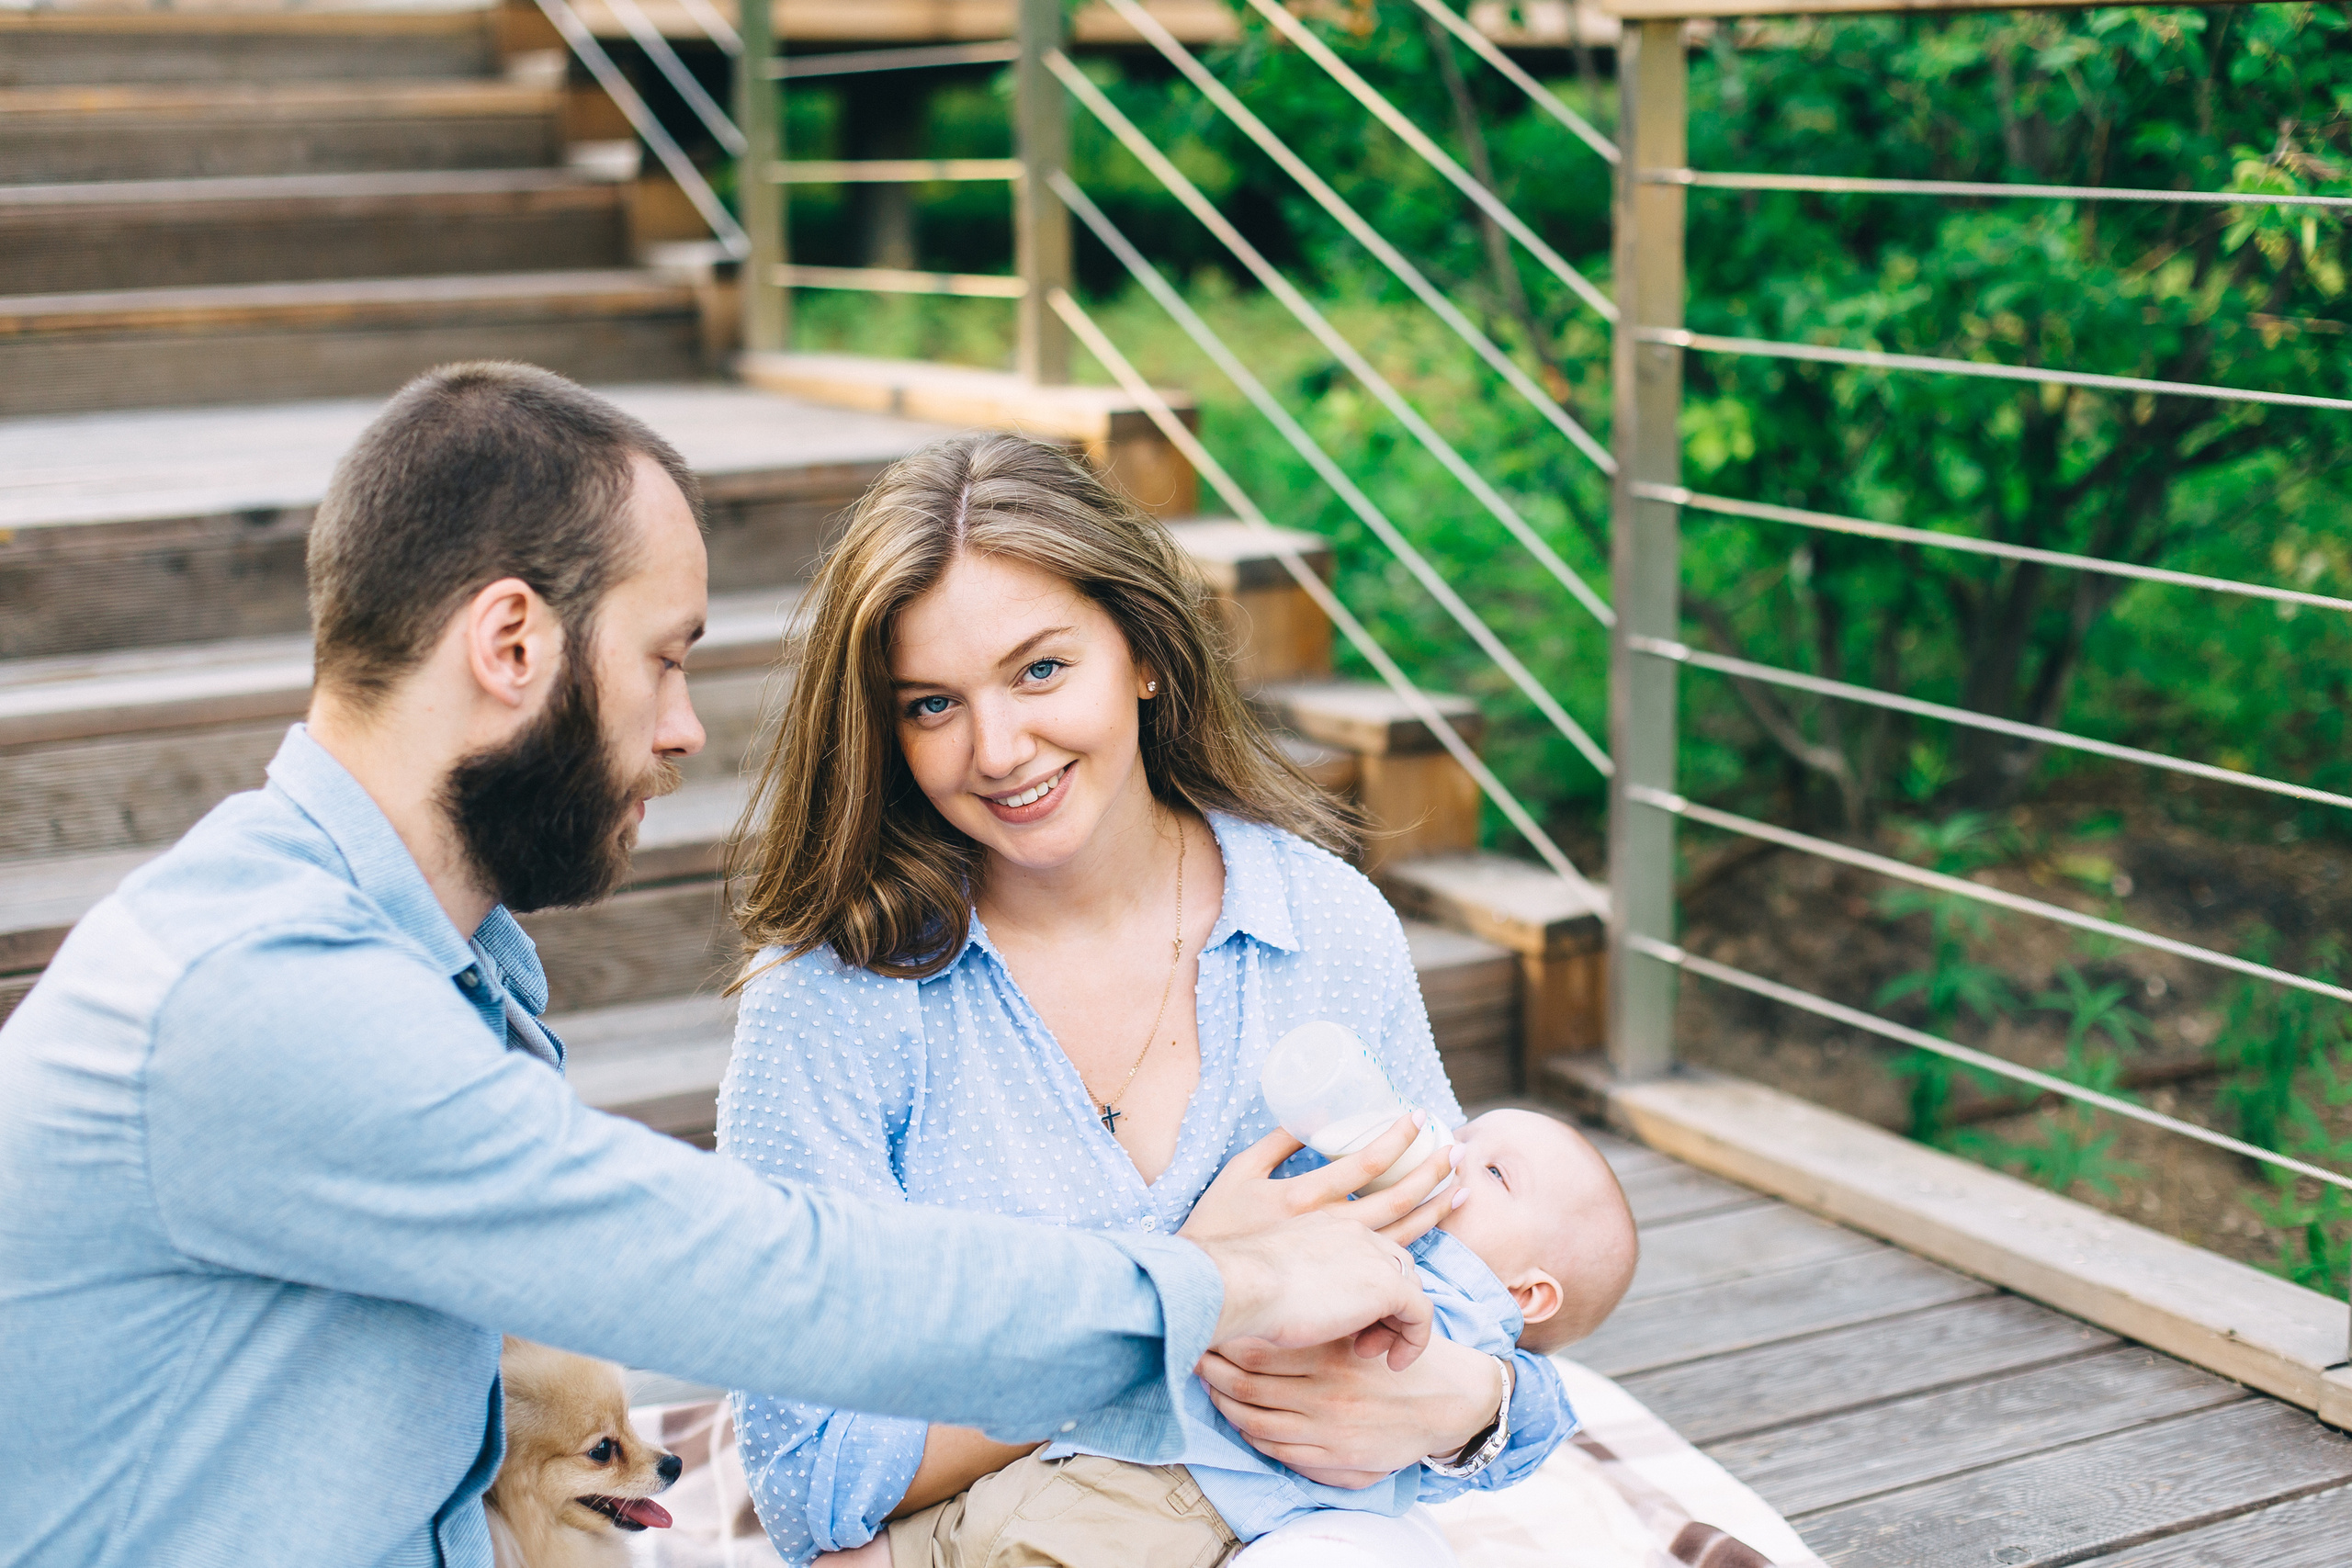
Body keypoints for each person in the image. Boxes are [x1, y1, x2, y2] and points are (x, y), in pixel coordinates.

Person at [0, 366, 1433, 1568]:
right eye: (666, 656)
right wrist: (1214, 1283)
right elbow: (763, 1277)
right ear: (513, 642)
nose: (685, 727)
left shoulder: (419, 960)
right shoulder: (269, 995)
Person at [720, 432, 1580, 1567]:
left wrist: (1467, 1405)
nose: (998, 749)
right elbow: (808, 1473)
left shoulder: (1323, 927)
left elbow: (1473, 1291)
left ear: (1144, 653)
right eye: (931, 704)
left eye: (1040, 670)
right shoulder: (828, 1006)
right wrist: (1182, 1293)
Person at [876, 1109, 1641, 1568]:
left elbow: (1470, 1427)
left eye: (1495, 1172)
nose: (1452, 1150)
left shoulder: (1451, 1317)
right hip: (1083, 1449)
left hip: (1173, 1503)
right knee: (919, 1543)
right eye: (1465, 1131)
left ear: (1528, 1293)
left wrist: (1472, 1397)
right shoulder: (1390, 1224)